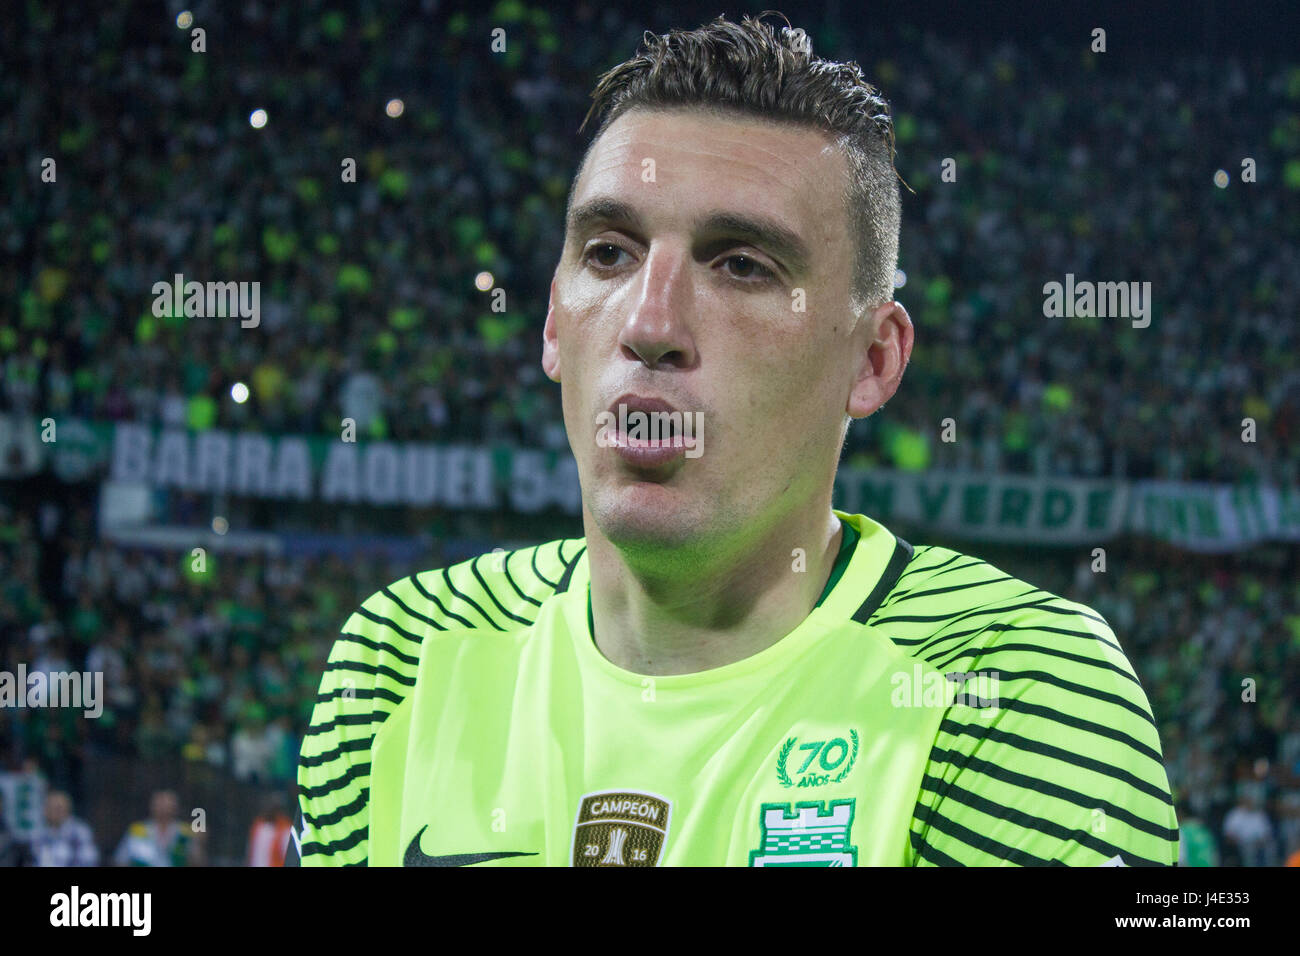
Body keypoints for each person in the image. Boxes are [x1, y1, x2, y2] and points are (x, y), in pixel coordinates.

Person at [291, 12, 1177, 867]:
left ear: (872, 360)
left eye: (742, 265)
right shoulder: (400, 657)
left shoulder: (1016, 691)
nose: (651, 321)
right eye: (608, 253)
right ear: (555, 322)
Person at [112, 789, 202, 866]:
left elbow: (198, 862)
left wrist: (199, 842)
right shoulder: (137, 830)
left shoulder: (185, 832)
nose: (163, 808)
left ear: (175, 807)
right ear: (152, 806)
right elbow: (121, 860)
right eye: (160, 803)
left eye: (167, 804)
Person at [31, 790, 99, 867]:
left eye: (58, 808)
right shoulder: (39, 833)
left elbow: (88, 861)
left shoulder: (79, 832)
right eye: (50, 807)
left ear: (67, 810)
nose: (54, 812)